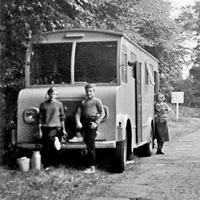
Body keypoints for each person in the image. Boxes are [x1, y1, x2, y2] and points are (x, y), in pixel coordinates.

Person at [70, 84, 105, 173]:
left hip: (92, 122)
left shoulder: (97, 101)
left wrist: (96, 123)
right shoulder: (84, 102)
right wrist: (78, 121)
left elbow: (102, 113)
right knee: (70, 121)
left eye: (90, 91)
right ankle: (79, 136)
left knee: (90, 145)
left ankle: (92, 167)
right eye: (87, 91)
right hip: (84, 122)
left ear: (94, 92)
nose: (89, 93)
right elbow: (78, 113)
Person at [39, 87, 67, 171]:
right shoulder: (43, 104)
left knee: (49, 137)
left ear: (56, 95)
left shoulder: (59, 104)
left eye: (54, 94)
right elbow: (40, 118)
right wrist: (39, 130)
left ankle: (55, 139)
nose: (52, 96)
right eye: (51, 94)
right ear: (48, 94)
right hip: (45, 127)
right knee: (46, 146)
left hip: (56, 127)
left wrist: (64, 129)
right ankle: (46, 166)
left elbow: (62, 117)